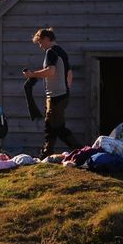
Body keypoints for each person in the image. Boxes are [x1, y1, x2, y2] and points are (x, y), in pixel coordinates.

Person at [23, 28, 81, 159]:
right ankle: (46, 153)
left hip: (56, 96)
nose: (40, 46)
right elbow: (69, 74)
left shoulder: (51, 52)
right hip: (62, 94)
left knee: (57, 127)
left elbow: (50, 71)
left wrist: (32, 74)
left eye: (40, 42)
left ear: (46, 39)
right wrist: (65, 88)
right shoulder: (62, 52)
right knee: (51, 125)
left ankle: (80, 151)